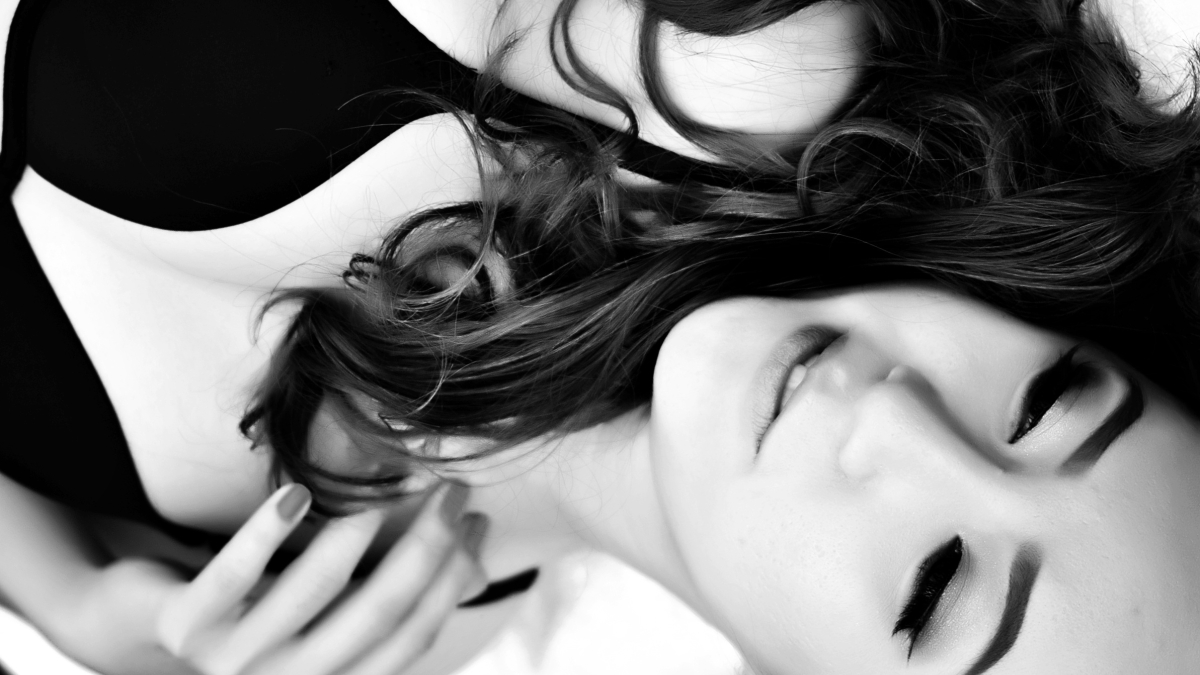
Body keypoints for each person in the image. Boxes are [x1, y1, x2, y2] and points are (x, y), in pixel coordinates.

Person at [0, 1, 1193, 675]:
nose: (899, 417)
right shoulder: (726, 75)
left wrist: (80, 600)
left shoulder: (363, 630)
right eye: (1048, 400)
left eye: (938, 587)